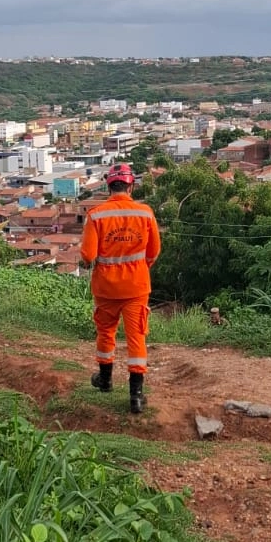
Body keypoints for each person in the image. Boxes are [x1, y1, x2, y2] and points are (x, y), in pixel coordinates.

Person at [79, 163, 162, 414]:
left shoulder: (96, 215)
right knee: (136, 336)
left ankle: (105, 381)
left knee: (106, 333)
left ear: (109, 186)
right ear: (131, 186)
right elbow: (154, 251)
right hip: (136, 286)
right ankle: (136, 395)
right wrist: (140, 266)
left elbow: (88, 255)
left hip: (105, 288)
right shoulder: (145, 213)